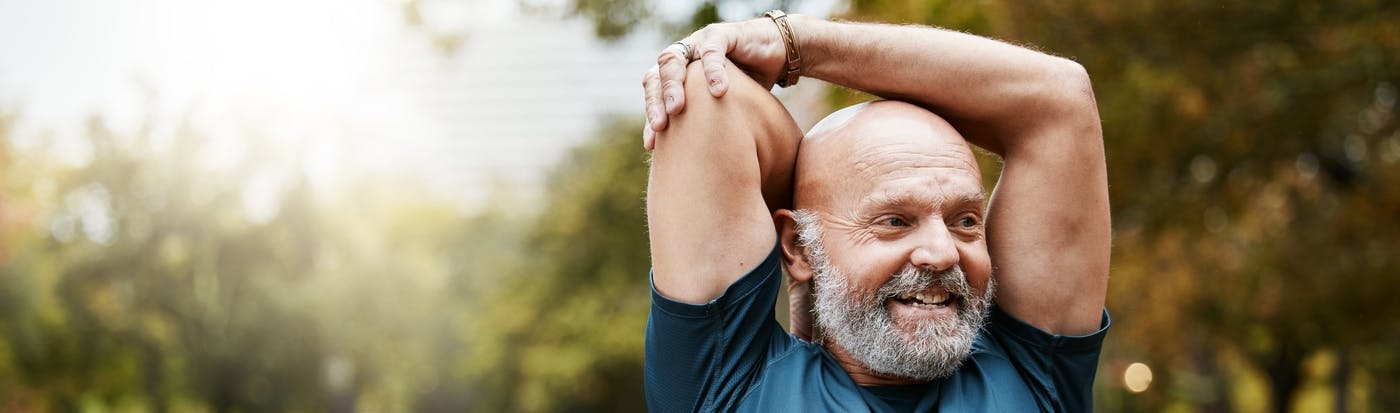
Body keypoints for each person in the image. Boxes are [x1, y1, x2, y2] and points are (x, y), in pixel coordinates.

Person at [640, 11, 1110, 412]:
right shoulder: (724, 386)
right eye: (895, 221)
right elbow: (706, 96)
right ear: (798, 247)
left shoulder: (1034, 374)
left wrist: (795, 42)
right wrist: (815, 256)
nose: (943, 253)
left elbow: (1059, 98)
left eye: (965, 221)